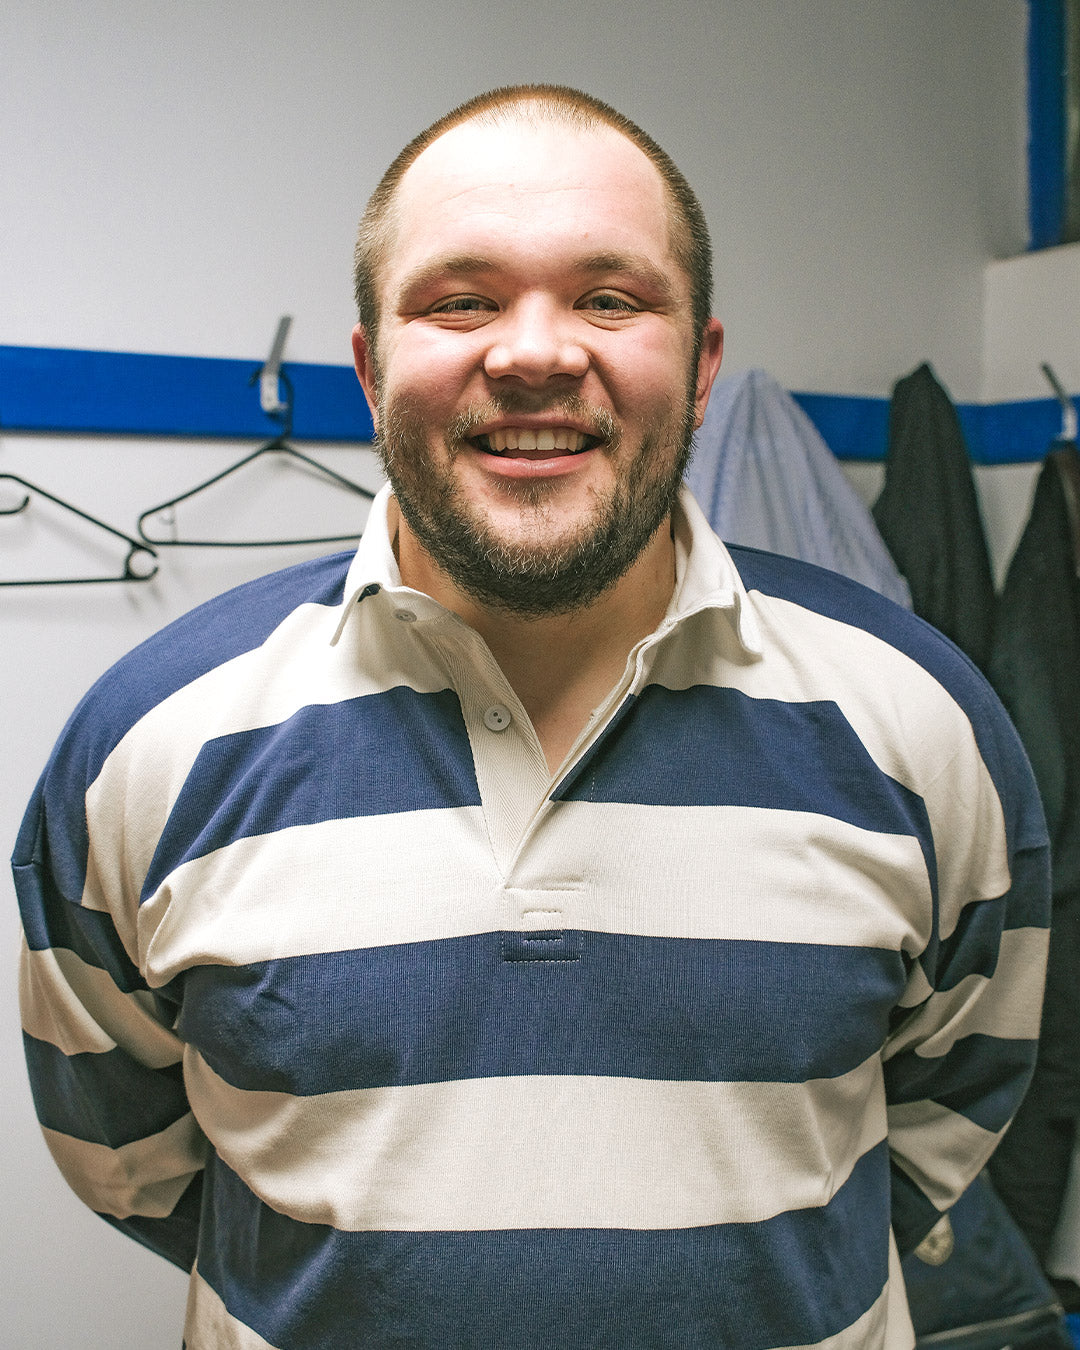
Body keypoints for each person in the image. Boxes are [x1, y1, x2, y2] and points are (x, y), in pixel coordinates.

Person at [14, 84, 1050, 1350]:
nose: (536, 352)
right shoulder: (149, 740)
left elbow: (949, 1109)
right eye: (462, 300)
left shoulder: (919, 716)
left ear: (704, 363)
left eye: (611, 297)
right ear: (369, 364)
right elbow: (132, 1156)